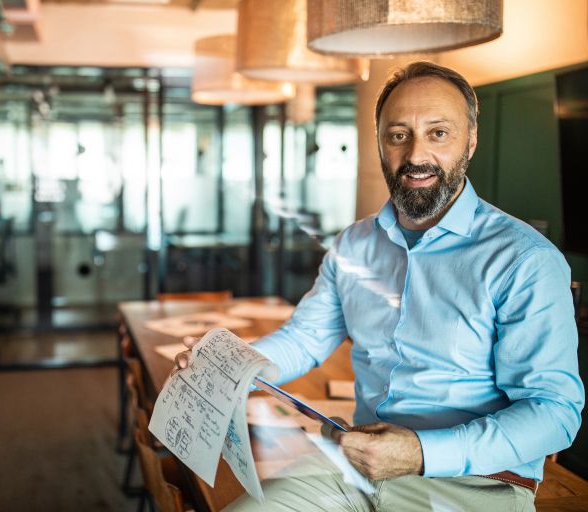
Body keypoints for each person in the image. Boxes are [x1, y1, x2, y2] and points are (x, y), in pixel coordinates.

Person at [175, 61, 584, 511]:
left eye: (438, 133)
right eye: (398, 134)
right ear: (379, 143)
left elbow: (553, 413)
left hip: (474, 483)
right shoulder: (354, 243)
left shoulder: (526, 260)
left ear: (470, 140)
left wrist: (420, 453)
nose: (415, 155)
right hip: (352, 468)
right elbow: (306, 337)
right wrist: (230, 366)